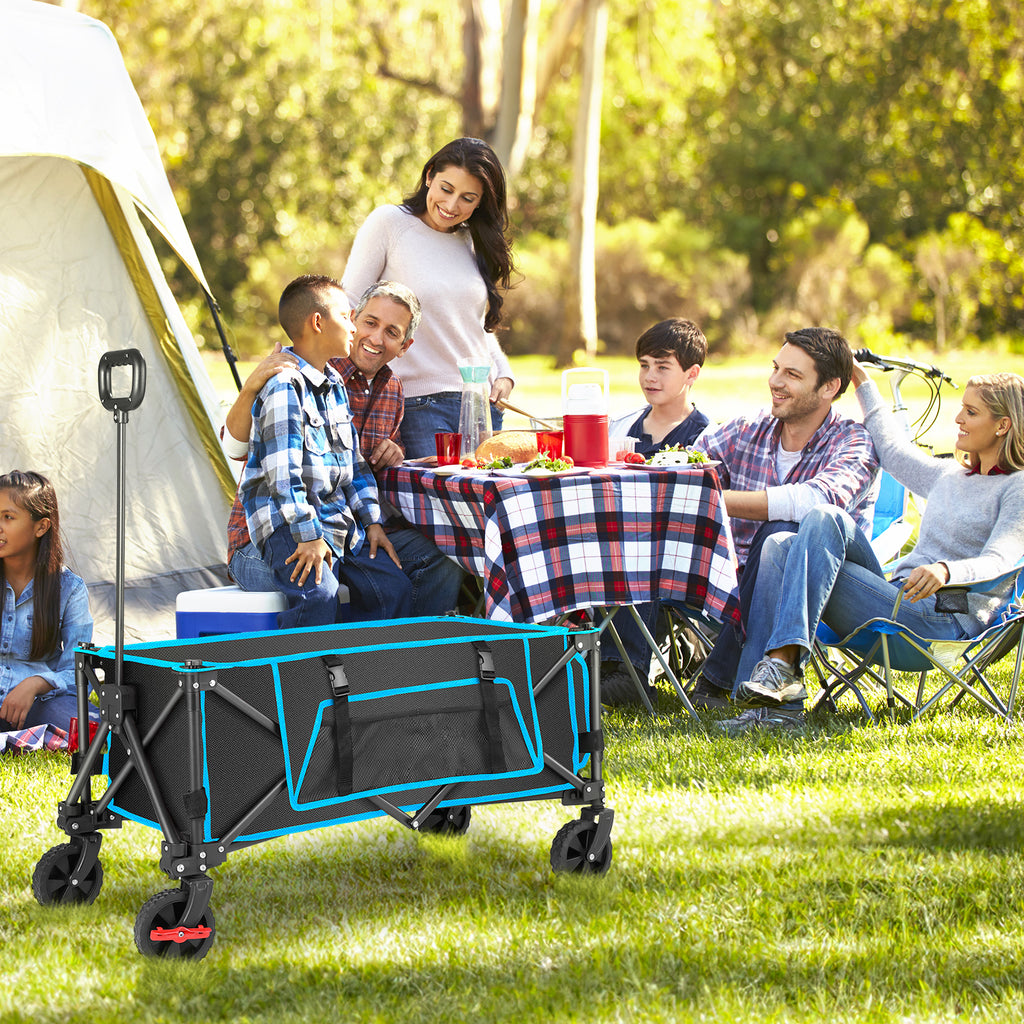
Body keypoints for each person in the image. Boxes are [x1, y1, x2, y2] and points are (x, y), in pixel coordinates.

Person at [726, 366, 1024, 733]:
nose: (959, 419)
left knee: (817, 520)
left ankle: (780, 682)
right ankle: (765, 702)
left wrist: (947, 571)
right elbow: (892, 450)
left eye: (972, 412)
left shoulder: (1017, 487)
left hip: (942, 617)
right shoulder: (950, 476)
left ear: (1003, 426)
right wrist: (860, 380)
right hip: (894, 597)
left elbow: (1001, 560)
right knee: (781, 543)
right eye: (961, 408)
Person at [224, 281, 464, 616]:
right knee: (322, 591)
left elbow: (354, 467)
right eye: (366, 322)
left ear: (404, 345)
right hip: (278, 531)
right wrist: (251, 387)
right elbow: (269, 468)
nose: (373, 337)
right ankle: (310, 665)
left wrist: (374, 520)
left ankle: (397, 660)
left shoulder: (371, 388)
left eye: (391, 331)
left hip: (338, 524)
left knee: (415, 572)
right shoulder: (290, 377)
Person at [679, 328, 880, 713]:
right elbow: (686, 467)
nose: (775, 381)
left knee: (780, 534)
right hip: (730, 577)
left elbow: (818, 500)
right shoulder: (746, 430)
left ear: (829, 388)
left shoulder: (853, 442)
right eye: (776, 368)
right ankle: (627, 671)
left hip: (824, 587)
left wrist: (719, 500)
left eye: (793, 374)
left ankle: (728, 680)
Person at [342, 137, 517, 458]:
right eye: (446, 189)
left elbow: (472, 324)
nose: (452, 206)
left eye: (467, 198)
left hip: (482, 406)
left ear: (481, 202)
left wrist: (504, 372)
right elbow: (348, 305)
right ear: (429, 176)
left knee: (485, 507)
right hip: (418, 404)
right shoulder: (390, 224)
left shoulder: (473, 241)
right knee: (442, 505)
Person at [599, 319, 711, 702]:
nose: (650, 376)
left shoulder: (704, 437)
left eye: (663, 367)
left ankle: (624, 667)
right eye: (644, 365)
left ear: (691, 374)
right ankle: (577, 657)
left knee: (636, 550)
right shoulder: (622, 427)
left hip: (677, 553)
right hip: (618, 540)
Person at [0, 471, 93, 735]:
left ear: (41, 527)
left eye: (8, 517)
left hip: (39, 703)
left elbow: (79, 670)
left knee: (90, 730)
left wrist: (35, 683)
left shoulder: (69, 589)